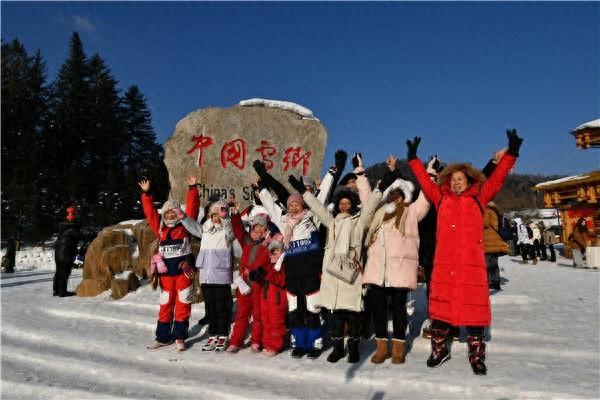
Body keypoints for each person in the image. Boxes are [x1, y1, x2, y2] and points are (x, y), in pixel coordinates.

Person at [406, 129, 522, 376]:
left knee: (474, 308)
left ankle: (476, 355)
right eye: (453, 179)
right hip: (444, 264)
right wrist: (414, 159)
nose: (457, 182)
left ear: (469, 180)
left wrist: (512, 153)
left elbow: (498, 177)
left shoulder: (479, 197)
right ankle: (439, 349)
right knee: (441, 308)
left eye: (461, 178)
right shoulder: (440, 198)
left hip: (471, 265)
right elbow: (425, 182)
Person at [296, 168, 383, 364]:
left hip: (351, 275)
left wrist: (378, 192)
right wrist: (304, 193)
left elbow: (369, 210)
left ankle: (353, 349)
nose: (344, 206)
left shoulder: (358, 223)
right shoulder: (333, 222)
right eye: (341, 203)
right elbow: (319, 209)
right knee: (336, 316)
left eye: (347, 203)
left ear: (352, 205)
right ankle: (337, 349)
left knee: (353, 316)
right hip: (333, 275)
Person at [363, 157, 430, 365]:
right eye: (391, 194)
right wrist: (360, 174)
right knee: (379, 312)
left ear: (405, 196)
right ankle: (382, 348)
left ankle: (399, 348)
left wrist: (429, 174)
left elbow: (426, 197)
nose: (394, 197)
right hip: (377, 271)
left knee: (399, 311)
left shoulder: (412, 212)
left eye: (398, 194)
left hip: (400, 271)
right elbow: (367, 201)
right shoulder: (378, 214)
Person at [140, 177, 200, 352]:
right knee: (165, 305)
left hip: (183, 273)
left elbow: (192, 210)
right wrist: (146, 194)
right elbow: (150, 212)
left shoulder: (185, 226)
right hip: (165, 274)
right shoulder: (160, 227)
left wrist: (192, 189)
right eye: (168, 213)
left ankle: (179, 337)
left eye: (173, 212)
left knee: (182, 304)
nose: (171, 215)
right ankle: (162, 337)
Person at [179, 199, 236, 351]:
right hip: (206, 275)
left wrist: (226, 218)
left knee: (222, 307)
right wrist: (183, 217)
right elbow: (193, 227)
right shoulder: (205, 228)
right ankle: (213, 334)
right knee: (210, 307)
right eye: (214, 215)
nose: (217, 217)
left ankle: (223, 334)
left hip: (221, 275)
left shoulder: (227, 230)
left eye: (220, 215)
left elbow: (231, 233)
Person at [226, 207, 272, 353]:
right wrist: (235, 215)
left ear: (265, 230)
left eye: (261, 228)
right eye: (255, 227)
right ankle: (236, 341)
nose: (257, 230)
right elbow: (238, 229)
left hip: (258, 284)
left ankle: (256, 341)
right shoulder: (246, 240)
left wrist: (252, 269)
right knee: (241, 314)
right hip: (244, 284)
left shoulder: (267, 245)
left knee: (258, 315)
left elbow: (265, 262)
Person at [53, 206, 95, 297]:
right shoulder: (71, 229)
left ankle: (56, 290)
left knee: (59, 272)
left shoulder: (63, 229)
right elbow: (83, 237)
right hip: (65, 254)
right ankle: (62, 292)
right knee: (64, 272)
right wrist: (93, 235)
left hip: (58, 253)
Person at [483, 202, 509, 290]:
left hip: (489, 240)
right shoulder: (497, 212)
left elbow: (485, 223)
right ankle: (496, 282)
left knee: (486, 263)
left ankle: (487, 282)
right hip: (496, 240)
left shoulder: (487, 211)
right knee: (494, 263)